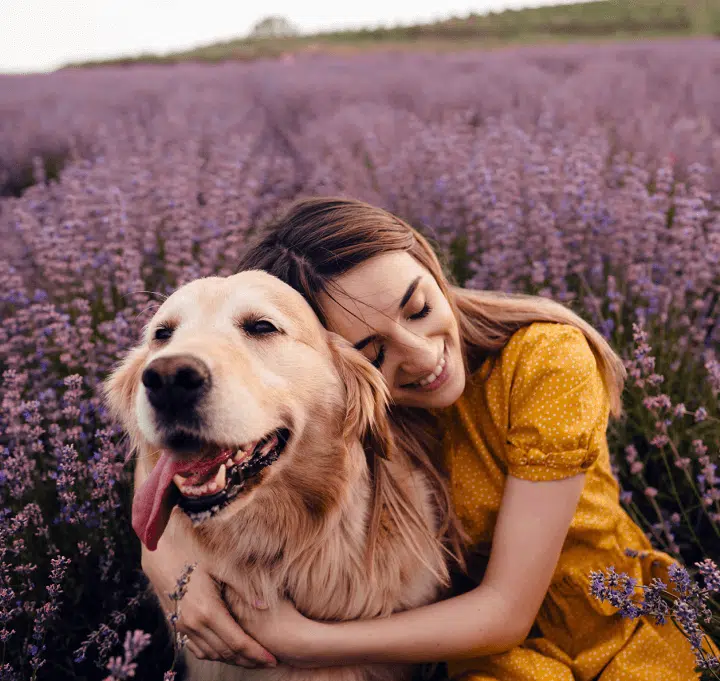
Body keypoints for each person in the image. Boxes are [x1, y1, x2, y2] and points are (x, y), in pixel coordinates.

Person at [139, 197, 703, 680]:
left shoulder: (545, 361)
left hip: (604, 627)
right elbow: (178, 442)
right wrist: (160, 557)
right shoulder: (352, 407)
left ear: (430, 264)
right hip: (468, 654)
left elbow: (508, 612)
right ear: (338, 373)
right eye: (373, 354)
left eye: (420, 307)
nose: (424, 356)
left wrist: (300, 641)